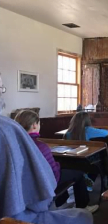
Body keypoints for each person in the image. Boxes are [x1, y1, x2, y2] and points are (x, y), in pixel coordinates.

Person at [0, 75, 93, 224]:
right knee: (84, 216)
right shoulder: (8, 132)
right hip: (19, 214)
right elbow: (41, 192)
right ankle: (83, 204)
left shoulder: (14, 132)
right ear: (35, 125)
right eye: (1, 89)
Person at [14, 110, 99, 213]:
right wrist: (58, 165)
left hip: (21, 185)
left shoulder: (12, 145)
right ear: (34, 126)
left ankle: (62, 201)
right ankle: (83, 206)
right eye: (39, 123)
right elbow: (54, 174)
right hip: (45, 183)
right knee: (78, 173)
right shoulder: (41, 146)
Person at [65, 111, 108, 190]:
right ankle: (88, 185)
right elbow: (105, 133)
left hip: (71, 161)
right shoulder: (89, 130)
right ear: (87, 120)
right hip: (87, 161)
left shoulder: (68, 132)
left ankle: (76, 186)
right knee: (98, 163)